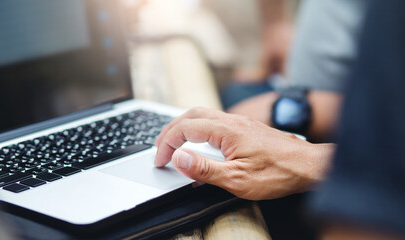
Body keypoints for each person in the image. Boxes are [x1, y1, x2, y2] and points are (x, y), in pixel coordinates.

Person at [155, 0, 405, 238]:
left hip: (344, 157)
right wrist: (274, 24)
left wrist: (307, 154)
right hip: (293, 92)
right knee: (228, 103)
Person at [223, 0, 369, 142]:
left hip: (331, 136)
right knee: (232, 93)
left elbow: (385, 120)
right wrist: (275, 25)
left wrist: (292, 108)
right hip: (289, 96)